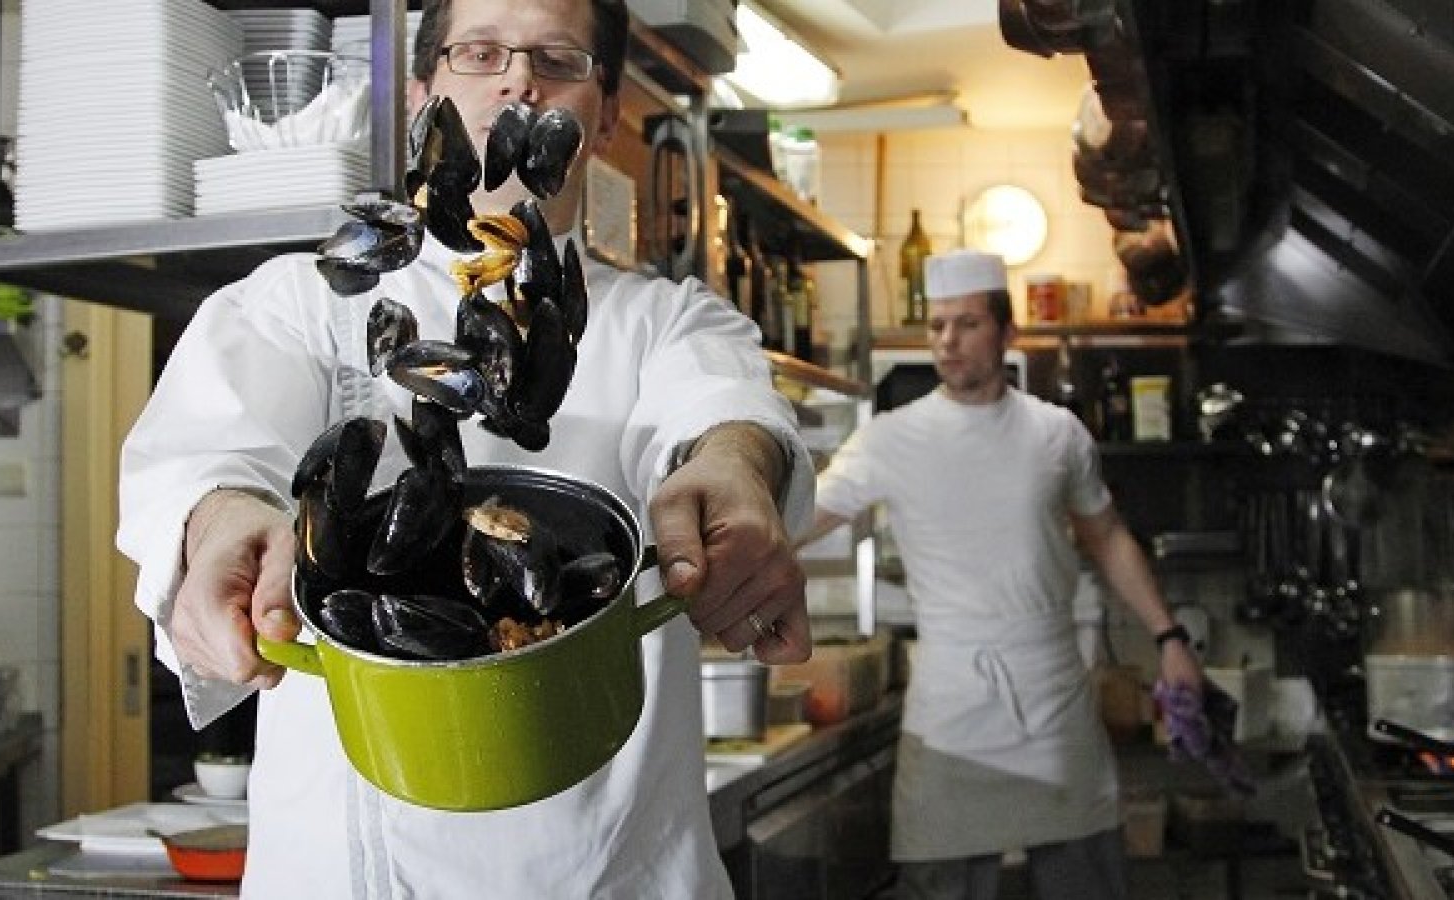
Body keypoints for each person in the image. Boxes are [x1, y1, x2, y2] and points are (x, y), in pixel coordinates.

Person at [116, 1, 813, 896]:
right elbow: (209, 452)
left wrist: (734, 466)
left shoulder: (669, 321)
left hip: (617, 868)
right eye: (480, 52)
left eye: (559, 59)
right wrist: (218, 523)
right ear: (423, 92)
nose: (519, 80)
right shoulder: (299, 303)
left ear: (606, 115)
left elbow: (724, 411)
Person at [801, 249, 1205, 900]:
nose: (947, 341)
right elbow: (800, 519)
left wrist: (1169, 637)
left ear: (1007, 331)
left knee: (1086, 885)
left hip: (1053, 697)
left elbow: (1107, 537)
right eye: (937, 326)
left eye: (967, 324)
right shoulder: (889, 439)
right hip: (951, 705)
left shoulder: (1057, 435)